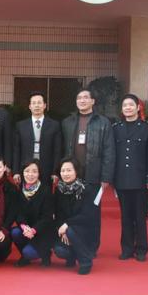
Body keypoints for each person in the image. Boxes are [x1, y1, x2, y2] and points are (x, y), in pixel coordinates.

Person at [61, 88, 114, 252]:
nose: (82, 100)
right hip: (72, 175)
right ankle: (71, 244)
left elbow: (109, 151)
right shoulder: (68, 122)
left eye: (85, 97)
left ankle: (91, 246)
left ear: (92, 101)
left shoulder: (103, 122)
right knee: (72, 211)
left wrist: (106, 176)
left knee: (92, 212)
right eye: (79, 98)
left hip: (93, 174)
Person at [112, 94, 148, 262]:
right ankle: (127, 248)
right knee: (126, 217)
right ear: (122, 109)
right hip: (122, 179)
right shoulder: (116, 128)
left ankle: (142, 249)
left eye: (131, 105)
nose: (128, 108)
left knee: (140, 216)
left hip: (140, 180)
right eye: (125, 105)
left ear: (138, 107)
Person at [53, 157, 100, 275]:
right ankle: (72, 257)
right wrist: (63, 229)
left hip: (84, 229)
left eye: (69, 170)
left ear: (76, 171)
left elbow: (87, 215)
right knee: (59, 250)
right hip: (67, 229)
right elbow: (58, 215)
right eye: (63, 171)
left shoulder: (86, 189)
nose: (65, 173)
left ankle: (86, 261)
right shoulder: (59, 190)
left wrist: (67, 225)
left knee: (71, 231)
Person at [10, 159, 55, 267]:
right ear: (22, 173)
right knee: (15, 232)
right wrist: (24, 226)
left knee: (29, 253)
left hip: (42, 231)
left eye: (34, 171)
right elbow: (18, 213)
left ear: (39, 173)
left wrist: (34, 230)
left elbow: (47, 217)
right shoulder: (19, 190)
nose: (30, 175)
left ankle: (46, 254)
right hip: (27, 230)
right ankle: (24, 258)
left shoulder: (46, 191)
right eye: (27, 171)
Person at [12, 91, 62, 185]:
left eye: (39, 103)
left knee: (46, 192)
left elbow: (57, 150)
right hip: (26, 168)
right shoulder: (20, 125)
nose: (36, 105)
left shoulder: (54, 125)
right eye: (34, 103)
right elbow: (16, 150)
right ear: (29, 106)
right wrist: (16, 171)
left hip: (47, 168)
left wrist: (55, 171)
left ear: (44, 105)